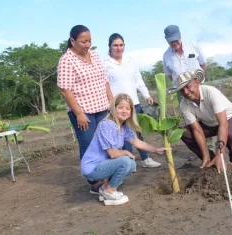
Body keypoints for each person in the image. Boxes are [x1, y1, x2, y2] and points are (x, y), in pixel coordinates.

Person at [80, 93, 167, 206]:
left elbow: (137, 142)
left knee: (131, 164)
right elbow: (112, 153)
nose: (124, 111)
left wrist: (156, 149)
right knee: (126, 161)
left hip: (102, 165)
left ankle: (104, 188)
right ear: (113, 108)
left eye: (128, 108)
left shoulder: (123, 127)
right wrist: (125, 152)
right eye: (120, 107)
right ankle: (109, 191)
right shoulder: (106, 125)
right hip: (92, 168)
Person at [57, 25, 113, 194]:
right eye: (83, 41)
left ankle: (106, 175)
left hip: (103, 107)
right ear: (73, 41)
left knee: (106, 142)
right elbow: (65, 90)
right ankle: (94, 182)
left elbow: (104, 80)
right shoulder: (67, 60)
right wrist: (79, 113)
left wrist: (112, 103)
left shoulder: (95, 55)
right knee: (89, 146)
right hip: (84, 112)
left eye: (89, 40)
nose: (87, 44)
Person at [102, 33, 161, 168]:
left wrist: (146, 95)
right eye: (115, 45)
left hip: (134, 103)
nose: (118, 48)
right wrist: (110, 103)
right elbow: (104, 85)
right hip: (117, 106)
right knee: (122, 135)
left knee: (137, 132)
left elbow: (138, 81)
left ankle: (146, 159)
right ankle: (129, 162)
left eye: (121, 45)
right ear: (110, 47)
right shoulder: (105, 64)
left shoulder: (130, 61)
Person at [169, 69, 232, 172]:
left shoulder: (210, 92)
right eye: (182, 90)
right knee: (186, 133)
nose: (186, 92)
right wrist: (205, 155)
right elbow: (197, 130)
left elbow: (223, 124)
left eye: (188, 86)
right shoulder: (184, 104)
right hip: (210, 124)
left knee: (229, 134)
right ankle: (210, 160)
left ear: (197, 82)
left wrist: (220, 154)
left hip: (230, 118)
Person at [162, 24, 215, 154]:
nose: (174, 43)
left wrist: (196, 82)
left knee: (206, 116)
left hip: (199, 89)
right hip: (183, 93)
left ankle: (211, 147)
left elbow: (203, 64)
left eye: (176, 39)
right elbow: (170, 75)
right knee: (191, 119)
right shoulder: (166, 56)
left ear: (180, 36)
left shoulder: (193, 46)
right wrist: (183, 87)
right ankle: (201, 149)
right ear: (167, 40)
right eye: (171, 41)